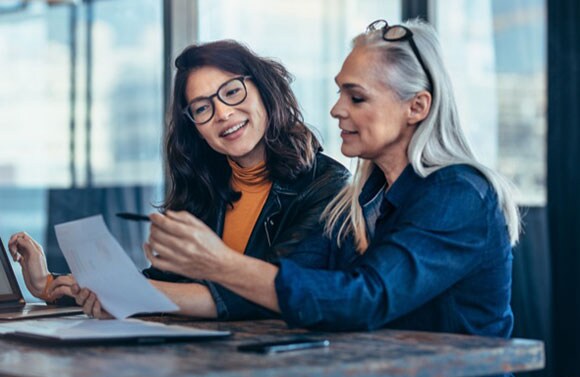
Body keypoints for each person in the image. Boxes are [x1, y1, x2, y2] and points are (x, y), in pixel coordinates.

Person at [143, 18, 521, 343]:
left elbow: (364, 300)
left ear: (416, 107)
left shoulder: (458, 194)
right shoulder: (360, 200)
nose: (336, 109)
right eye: (340, 92)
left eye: (356, 98)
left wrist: (219, 262)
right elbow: (306, 286)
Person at [8, 40, 349, 320]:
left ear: (264, 90)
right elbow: (165, 284)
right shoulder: (206, 186)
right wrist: (49, 284)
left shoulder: (327, 186)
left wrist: (125, 294)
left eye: (232, 92)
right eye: (202, 108)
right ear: (195, 128)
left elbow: (269, 292)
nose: (223, 113)